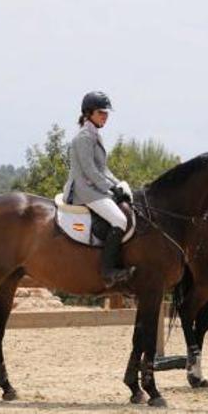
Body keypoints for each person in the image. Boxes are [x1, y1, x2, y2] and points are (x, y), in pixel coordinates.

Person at [62, 91, 135, 286]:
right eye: (101, 112)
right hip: (84, 191)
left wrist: (118, 184)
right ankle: (107, 270)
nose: (105, 116)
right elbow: (89, 172)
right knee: (119, 220)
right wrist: (111, 189)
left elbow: (103, 169)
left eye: (106, 113)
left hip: (95, 187)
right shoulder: (84, 137)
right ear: (88, 113)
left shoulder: (94, 135)